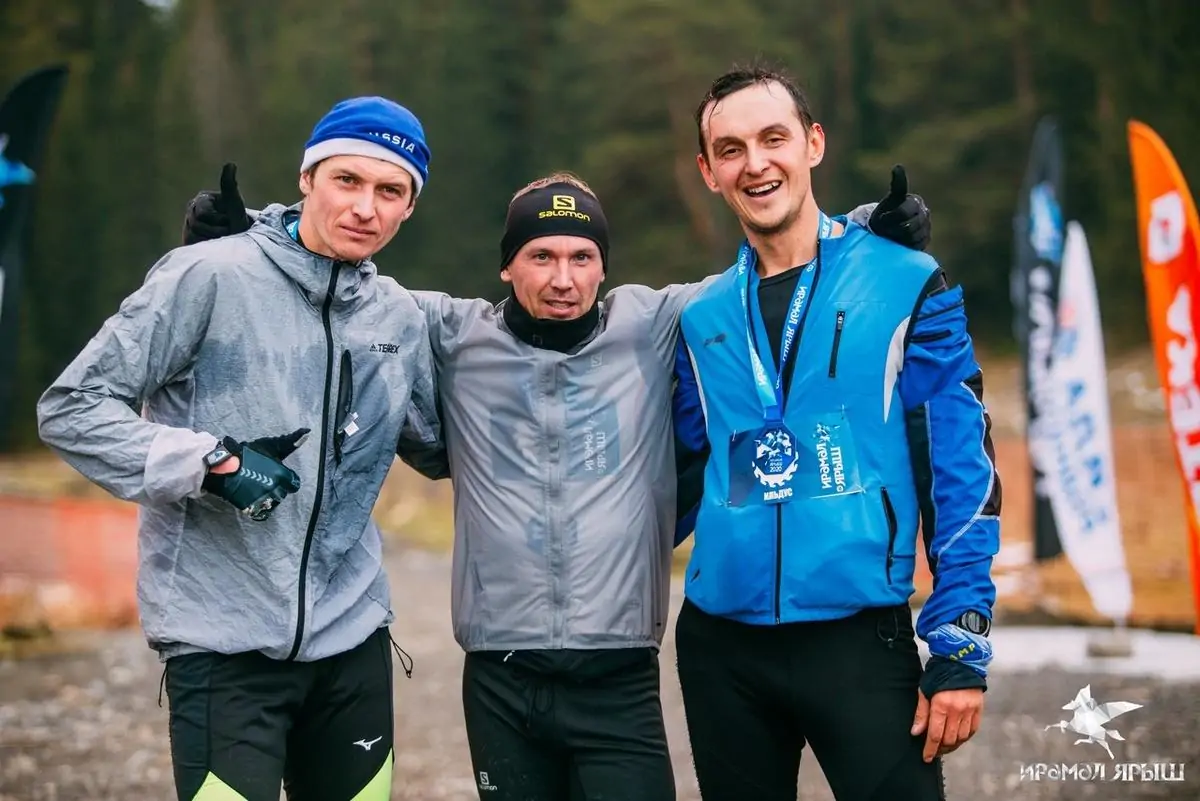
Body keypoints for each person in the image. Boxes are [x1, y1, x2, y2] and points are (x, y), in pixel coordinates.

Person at [182, 163, 931, 800]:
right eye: (540, 256)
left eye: (582, 257)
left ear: (605, 266)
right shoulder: (450, 331)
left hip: (619, 676)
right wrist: (249, 241)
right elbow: (334, 284)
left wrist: (868, 231)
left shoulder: (655, 323)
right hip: (501, 677)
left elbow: (776, 263)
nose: (563, 278)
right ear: (507, 265)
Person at [36, 96, 443, 801]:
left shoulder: (398, 317)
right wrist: (208, 463)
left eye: (389, 191)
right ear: (306, 178)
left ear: (409, 207)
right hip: (220, 644)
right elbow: (72, 408)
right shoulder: (208, 275)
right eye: (347, 180)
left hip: (352, 644)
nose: (365, 208)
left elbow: (441, 449)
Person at [671, 65, 1001, 801]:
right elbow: (677, 474)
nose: (755, 163)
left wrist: (961, 639)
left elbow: (961, 466)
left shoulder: (907, 281)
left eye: (774, 138)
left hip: (858, 637)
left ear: (813, 143)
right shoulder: (701, 316)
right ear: (708, 172)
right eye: (730, 150)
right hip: (722, 648)